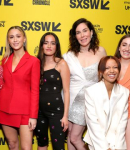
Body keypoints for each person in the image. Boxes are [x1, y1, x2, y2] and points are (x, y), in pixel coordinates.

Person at [63, 18, 106, 150]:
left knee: (75, 138)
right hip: (70, 100)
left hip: (89, 101)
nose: (82, 35)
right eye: (78, 32)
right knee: (70, 135)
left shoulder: (101, 51)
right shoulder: (68, 56)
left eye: (85, 31)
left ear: (91, 32)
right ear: (75, 36)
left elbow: (105, 77)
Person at [0, 26, 40, 150]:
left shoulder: (33, 61)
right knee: (12, 144)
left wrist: (33, 116)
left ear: (24, 39)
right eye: (11, 37)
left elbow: (35, 90)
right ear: (8, 41)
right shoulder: (4, 61)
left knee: (26, 148)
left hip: (25, 111)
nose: (15, 40)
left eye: (18, 36)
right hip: (4, 109)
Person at [84, 56, 129, 150]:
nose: (112, 71)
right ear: (100, 71)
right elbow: (92, 123)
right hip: (96, 142)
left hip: (117, 143)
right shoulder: (91, 91)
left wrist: (118, 147)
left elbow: (122, 123)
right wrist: (104, 148)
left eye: (115, 67)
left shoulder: (124, 92)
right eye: (107, 68)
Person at [35, 32, 70, 150]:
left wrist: (65, 116)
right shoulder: (36, 63)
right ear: (41, 46)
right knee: (41, 143)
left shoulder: (62, 63)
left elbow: (66, 91)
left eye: (52, 43)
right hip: (38, 111)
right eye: (46, 43)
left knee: (58, 146)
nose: (49, 46)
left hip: (57, 111)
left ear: (57, 46)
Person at [114, 34, 130, 150]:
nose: (127, 49)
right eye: (124, 45)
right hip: (111, 113)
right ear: (119, 48)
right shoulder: (111, 65)